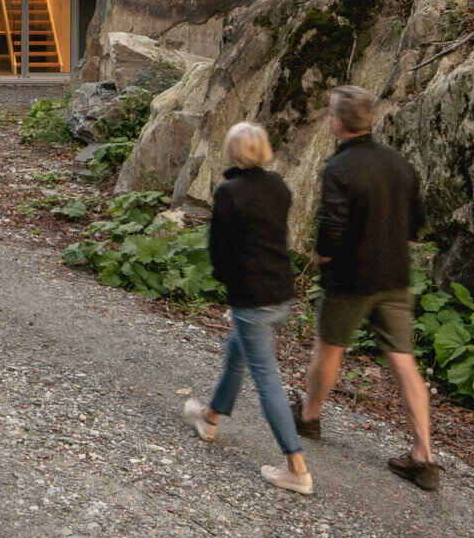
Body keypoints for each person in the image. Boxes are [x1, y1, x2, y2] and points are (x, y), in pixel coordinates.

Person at [297, 84, 440, 490]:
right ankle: (423, 455)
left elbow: (331, 226)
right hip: (394, 276)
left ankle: (309, 416)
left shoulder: (339, 169)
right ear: (370, 120)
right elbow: (417, 220)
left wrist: (324, 258)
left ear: (338, 123)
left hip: (350, 278)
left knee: (329, 347)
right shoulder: (398, 162)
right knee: (403, 360)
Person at [182, 121, 311, 495]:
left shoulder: (229, 192)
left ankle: (297, 467)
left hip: (250, 296)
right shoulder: (279, 187)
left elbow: (218, 247)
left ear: (233, 150)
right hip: (281, 290)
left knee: (267, 377)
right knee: (236, 351)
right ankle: (210, 417)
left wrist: (224, 279)